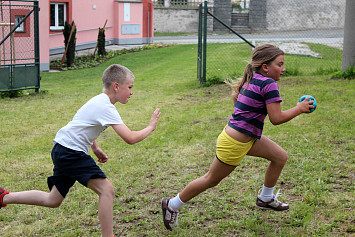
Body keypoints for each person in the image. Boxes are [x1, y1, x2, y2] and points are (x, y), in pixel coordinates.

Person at [161, 44, 315, 231]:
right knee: (211, 179)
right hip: (234, 143)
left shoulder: (253, 78)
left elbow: (239, 103)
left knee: (280, 157)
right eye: (280, 65)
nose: (283, 69)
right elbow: (276, 119)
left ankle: (266, 198)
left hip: (243, 137)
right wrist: (299, 109)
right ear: (265, 67)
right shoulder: (269, 84)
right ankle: (172, 204)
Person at [0, 64, 161, 237]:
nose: (131, 92)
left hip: (63, 149)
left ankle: (3, 197)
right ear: (116, 86)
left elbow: (82, 125)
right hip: (71, 153)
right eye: (129, 87)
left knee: (53, 200)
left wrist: (96, 148)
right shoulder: (105, 106)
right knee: (106, 190)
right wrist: (150, 127)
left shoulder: (98, 100)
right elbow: (129, 138)